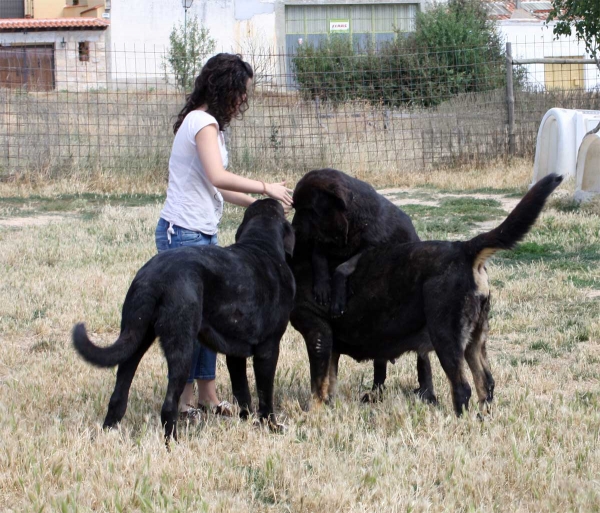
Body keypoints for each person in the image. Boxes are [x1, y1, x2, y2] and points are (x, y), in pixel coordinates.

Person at [155, 53, 293, 420]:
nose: (242, 101)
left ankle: (208, 396)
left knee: (209, 318)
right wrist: (267, 186)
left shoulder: (206, 123)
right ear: (226, 88)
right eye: (241, 93)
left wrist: (265, 205)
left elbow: (220, 189)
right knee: (189, 321)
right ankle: (184, 402)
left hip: (200, 231)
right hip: (182, 234)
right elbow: (218, 176)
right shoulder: (202, 123)